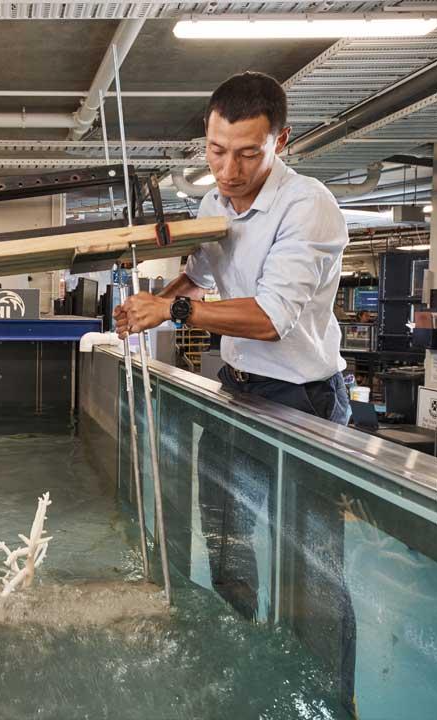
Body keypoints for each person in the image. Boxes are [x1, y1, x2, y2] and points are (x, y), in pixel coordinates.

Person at [114, 72, 356, 716]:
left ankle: (332, 698)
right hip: (238, 389)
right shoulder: (213, 205)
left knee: (314, 568)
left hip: (304, 399)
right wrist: (157, 301)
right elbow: (199, 273)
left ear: (280, 141)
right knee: (227, 544)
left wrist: (175, 317)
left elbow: (271, 317)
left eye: (248, 153)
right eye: (217, 151)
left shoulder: (308, 207)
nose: (229, 168)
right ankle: (238, 675)